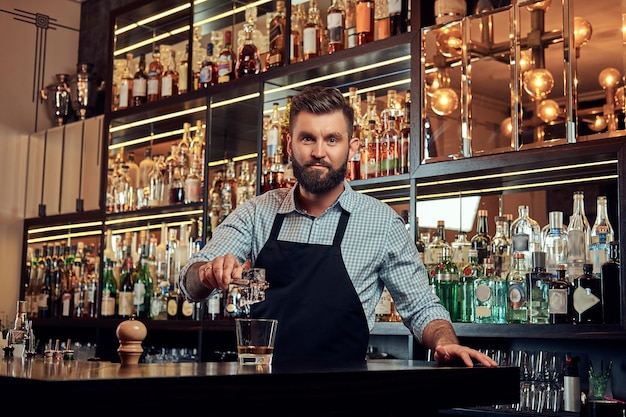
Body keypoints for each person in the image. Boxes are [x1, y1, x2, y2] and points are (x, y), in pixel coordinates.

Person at [179, 86, 497, 367]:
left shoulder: (382, 222)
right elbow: (189, 283)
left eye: (332, 139)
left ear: (352, 147)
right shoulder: (257, 212)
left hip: (345, 397)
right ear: (289, 144)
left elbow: (421, 307)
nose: (319, 152)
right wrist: (207, 273)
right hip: (265, 394)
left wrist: (446, 342)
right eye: (308, 138)